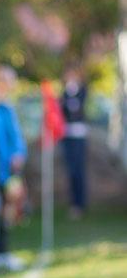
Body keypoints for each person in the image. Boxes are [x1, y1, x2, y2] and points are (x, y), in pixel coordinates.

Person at [0, 65, 27, 271]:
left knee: (7, 211)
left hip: (7, 172)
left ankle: (3, 251)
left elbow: (16, 139)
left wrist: (18, 154)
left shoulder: (7, 110)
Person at [60, 64, 89, 219]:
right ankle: (73, 203)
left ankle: (80, 203)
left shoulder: (82, 90)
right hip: (67, 134)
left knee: (78, 170)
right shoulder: (64, 92)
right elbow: (64, 110)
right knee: (71, 170)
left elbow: (77, 109)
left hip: (79, 134)